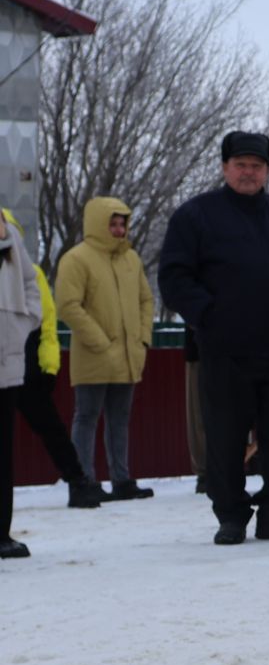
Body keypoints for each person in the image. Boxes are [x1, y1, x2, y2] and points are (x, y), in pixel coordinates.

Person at [157, 130, 269, 544]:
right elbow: (175, 277)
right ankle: (230, 516)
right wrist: (210, 315)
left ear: (267, 170)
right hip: (224, 350)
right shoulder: (196, 216)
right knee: (226, 437)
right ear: (224, 167)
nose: (249, 172)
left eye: (257, 166)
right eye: (241, 165)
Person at [54, 196, 156, 500]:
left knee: (119, 418)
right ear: (98, 224)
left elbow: (146, 300)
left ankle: (121, 480)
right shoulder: (77, 259)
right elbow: (68, 306)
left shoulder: (131, 259)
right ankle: (83, 482)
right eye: (112, 223)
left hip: (127, 355)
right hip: (93, 355)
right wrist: (99, 340)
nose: (118, 229)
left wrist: (141, 338)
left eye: (122, 223)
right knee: (86, 417)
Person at [1, 206, 101, 508]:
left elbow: (46, 321)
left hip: (27, 363)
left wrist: (49, 365)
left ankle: (78, 481)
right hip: (16, 355)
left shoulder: (31, 272)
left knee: (51, 429)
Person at [0, 206, 44, 557]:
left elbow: (31, 283)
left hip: (7, 360)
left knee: (3, 452)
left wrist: (24, 322)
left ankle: (2, 533)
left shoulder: (10, 234)